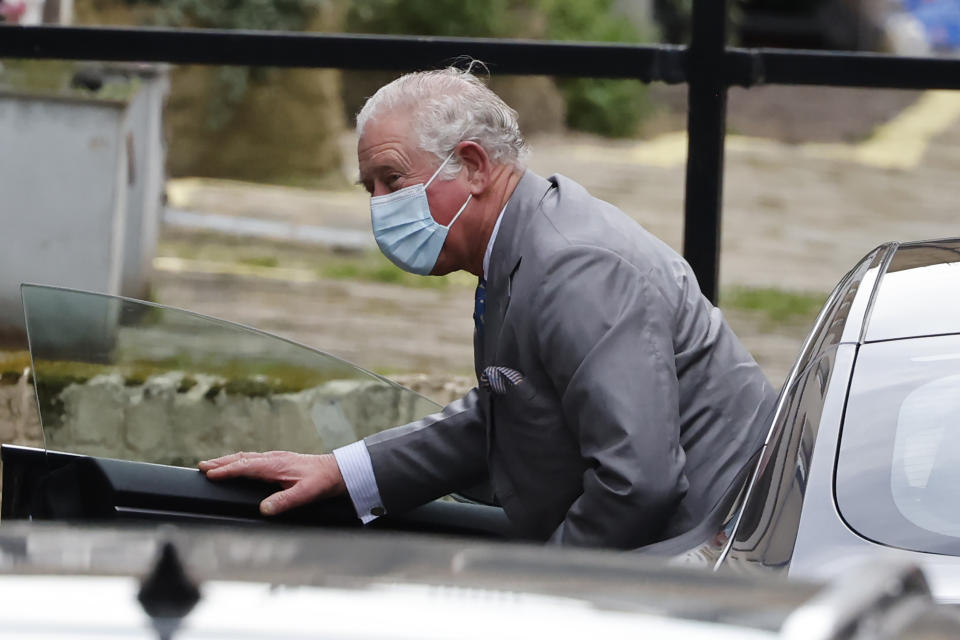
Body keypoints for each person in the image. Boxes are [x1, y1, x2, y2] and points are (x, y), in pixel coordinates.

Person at [200, 66, 777, 549]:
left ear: (473, 166)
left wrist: (535, 592)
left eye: (392, 179)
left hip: (707, 562)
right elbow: (509, 407)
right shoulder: (523, 243)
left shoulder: (575, 267)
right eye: (368, 187)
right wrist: (343, 472)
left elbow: (638, 484)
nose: (379, 206)